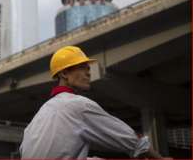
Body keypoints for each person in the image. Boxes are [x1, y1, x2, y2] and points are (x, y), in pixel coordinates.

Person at [20, 46, 164, 159]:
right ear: (64, 73)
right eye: (82, 67)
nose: (88, 72)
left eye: (88, 68)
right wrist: (160, 159)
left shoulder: (39, 116)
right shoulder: (77, 105)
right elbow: (132, 141)